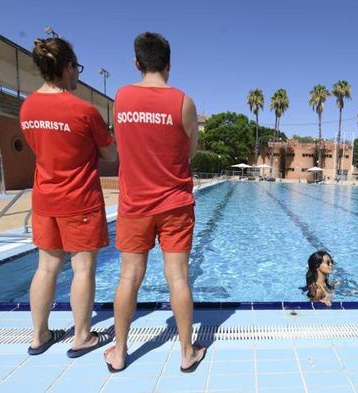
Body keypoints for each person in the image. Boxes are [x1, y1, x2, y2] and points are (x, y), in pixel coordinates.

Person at [104, 32, 203, 373]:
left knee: (129, 277)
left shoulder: (122, 98)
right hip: (175, 204)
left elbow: (122, 145)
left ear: (137, 63)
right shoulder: (184, 102)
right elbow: (190, 152)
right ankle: (187, 353)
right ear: (169, 64)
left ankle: (119, 352)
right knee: (178, 278)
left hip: (135, 205)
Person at [19, 38, 116, 356]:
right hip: (80, 199)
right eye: (77, 68)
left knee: (46, 267)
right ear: (66, 67)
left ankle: (39, 335)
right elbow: (110, 153)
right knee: (83, 268)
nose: (78, 75)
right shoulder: (84, 110)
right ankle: (82, 337)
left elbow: (40, 147)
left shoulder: (27, 107)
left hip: (45, 198)